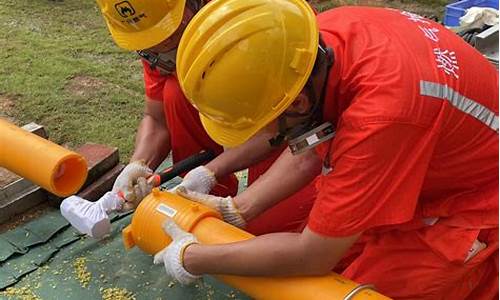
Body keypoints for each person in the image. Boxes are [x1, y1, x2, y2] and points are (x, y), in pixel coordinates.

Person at [154, 0, 499, 298]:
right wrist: (237, 208)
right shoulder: (308, 44)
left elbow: (311, 255)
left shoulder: (382, 116)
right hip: (431, 168)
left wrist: (193, 257)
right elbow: (311, 143)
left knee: (350, 290)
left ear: (298, 103)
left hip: (478, 205)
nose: (261, 134)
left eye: (263, 123)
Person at [94, 0, 318, 233]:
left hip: (297, 120)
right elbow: (157, 118)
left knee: (268, 232)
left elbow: (295, 130)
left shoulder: (263, 17)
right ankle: (203, 199)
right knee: (175, 91)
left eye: (170, 35)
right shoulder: (152, 28)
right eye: (150, 43)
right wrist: (137, 165)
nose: (162, 45)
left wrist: (213, 173)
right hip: (280, 111)